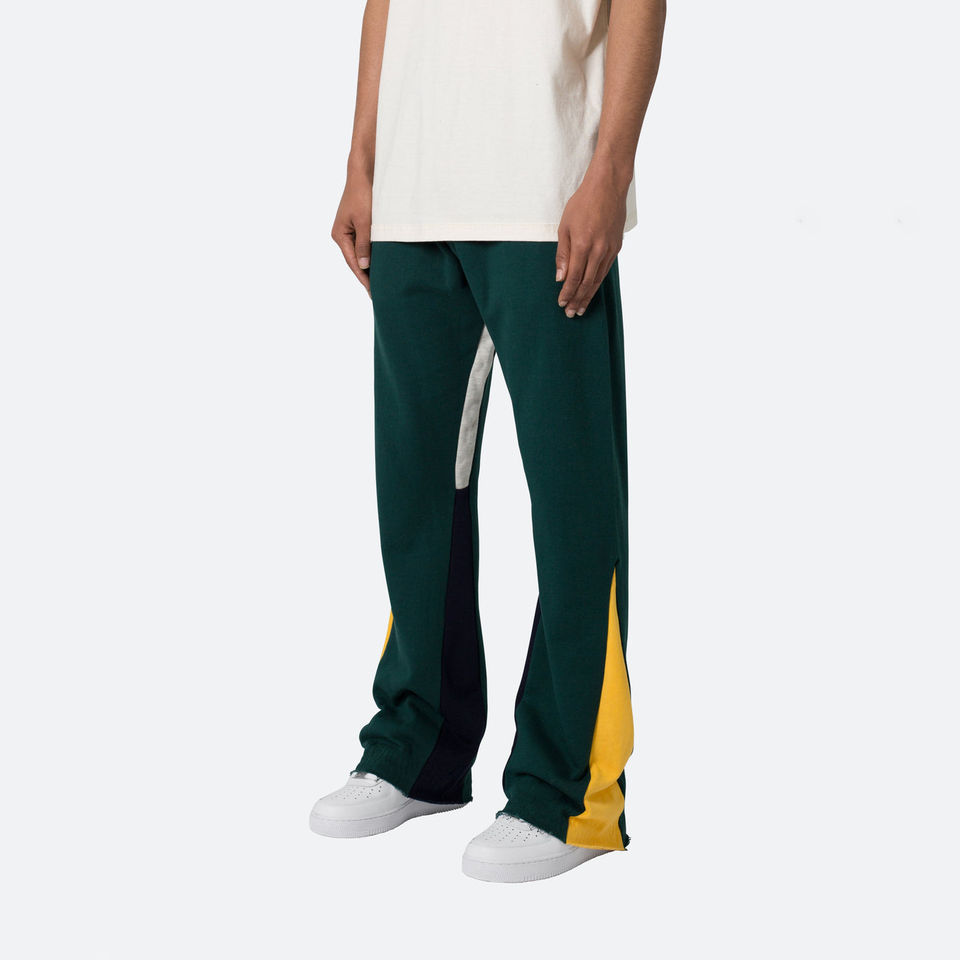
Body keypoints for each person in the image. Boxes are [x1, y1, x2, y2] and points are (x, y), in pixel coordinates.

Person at [310, 0, 666, 883]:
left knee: (574, 506)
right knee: (416, 498)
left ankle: (569, 793)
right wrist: (362, 163)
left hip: (545, 187)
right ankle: (418, 747)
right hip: (415, 188)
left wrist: (609, 171)